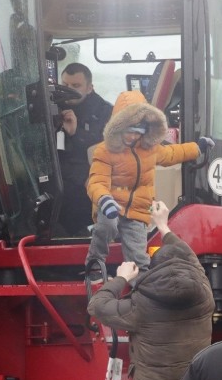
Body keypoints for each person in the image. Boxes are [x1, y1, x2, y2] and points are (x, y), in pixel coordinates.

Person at [87, 199, 214, 380]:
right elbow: (189, 258)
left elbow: (98, 306)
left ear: (153, 270)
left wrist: (121, 278)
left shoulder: (142, 304)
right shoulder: (205, 293)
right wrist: (163, 227)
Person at [85, 90, 213, 272]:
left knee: (139, 256)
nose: (133, 136)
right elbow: (96, 182)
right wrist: (104, 199)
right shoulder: (104, 150)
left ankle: (141, 287)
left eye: (138, 132)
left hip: (138, 211)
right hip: (110, 205)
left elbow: (172, 153)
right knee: (107, 226)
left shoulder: (150, 149)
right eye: (128, 131)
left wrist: (197, 148)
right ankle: (94, 265)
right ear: (117, 127)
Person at [56, 62, 113, 236]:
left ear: (89, 88)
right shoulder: (54, 107)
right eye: (65, 85)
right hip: (60, 167)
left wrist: (75, 133)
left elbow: (106, 145)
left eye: (75, 86)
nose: (68, 90)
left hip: (90, 173)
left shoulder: (105, 111)